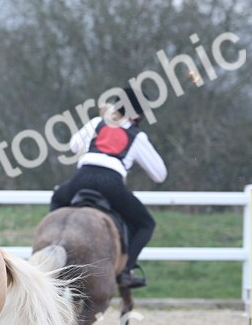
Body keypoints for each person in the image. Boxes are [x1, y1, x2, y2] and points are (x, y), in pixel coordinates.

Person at [49, 87, 167, 288]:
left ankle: (53, 251)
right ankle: (126, 271)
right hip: (111, 184)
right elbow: (159, 174)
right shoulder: (137, 137)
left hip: (81, 178)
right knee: (146, 224)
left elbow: (74, 146)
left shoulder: (97, 123)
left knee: (58, 199)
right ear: (138, 114)